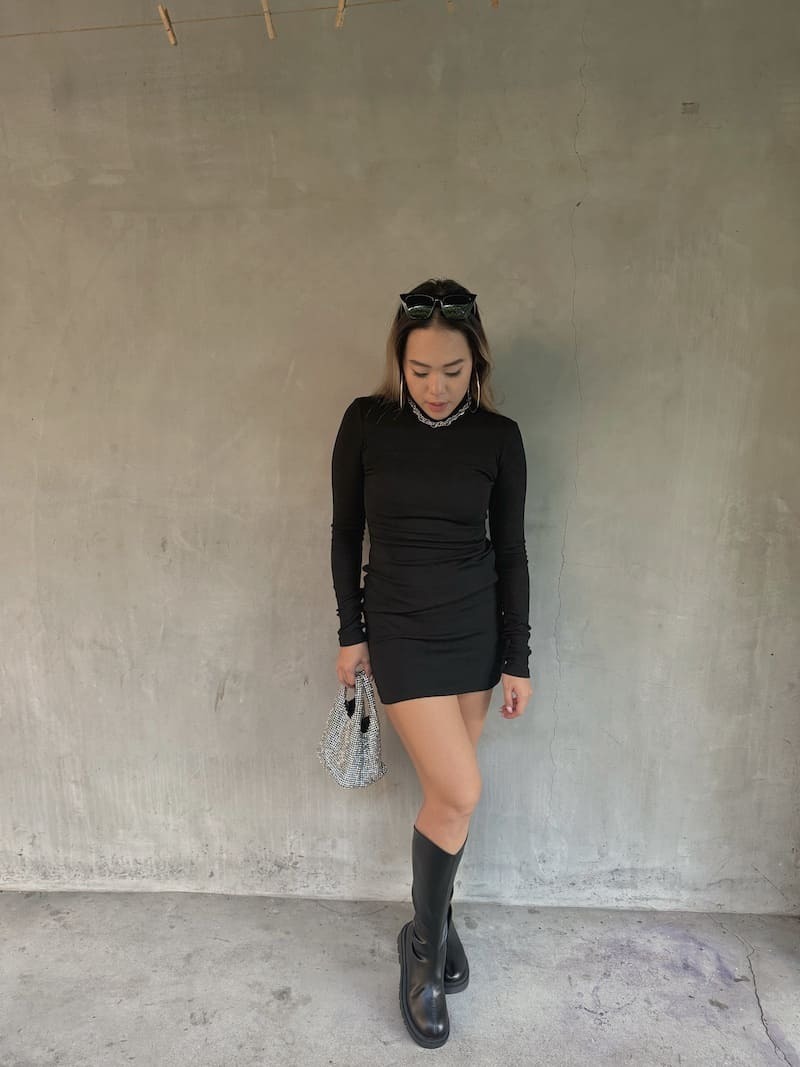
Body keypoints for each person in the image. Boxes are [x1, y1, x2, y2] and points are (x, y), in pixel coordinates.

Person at [329, 277, 532, 1048]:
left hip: (473, 630)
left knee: (451, 801)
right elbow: (345, 531)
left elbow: (511, 552)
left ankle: (433, 925)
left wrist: (517, 656)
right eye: (420, 370)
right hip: (401, 628)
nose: (436, 386)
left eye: (453, 370)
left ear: (477, 363)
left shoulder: (498, 437)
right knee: (461, 788)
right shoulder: (367, 422)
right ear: (399, 361)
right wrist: (351, 632)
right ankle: (422, 947)